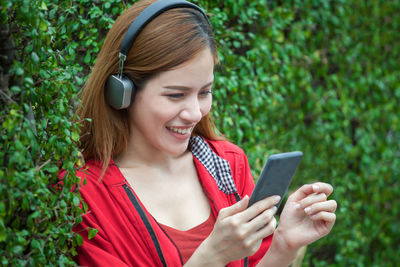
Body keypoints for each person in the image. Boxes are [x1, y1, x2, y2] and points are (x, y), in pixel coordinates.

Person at [72, 0, 337, 266]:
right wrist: (212, 257)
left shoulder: (229, 164)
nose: (195, 113)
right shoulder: (84, 195)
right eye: (176, 95)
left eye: (204, 92)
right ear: (122, 92)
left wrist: (284, 244)